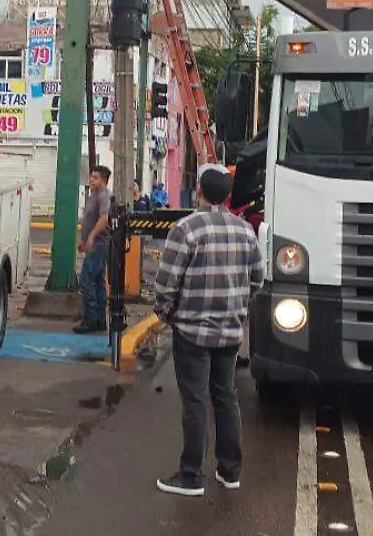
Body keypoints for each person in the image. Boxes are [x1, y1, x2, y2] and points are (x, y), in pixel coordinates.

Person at [153, 163, 265, 497]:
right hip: (229, 333)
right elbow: (257, 279)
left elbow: (166, 284)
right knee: (225, 397)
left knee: (196, 401)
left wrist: (167, 314)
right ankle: (230, 472)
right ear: (229, 196)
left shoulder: (186, 229)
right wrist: (237, 308)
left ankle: (190, 476)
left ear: (199, 191)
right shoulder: (245, 231)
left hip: (192, 332)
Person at [74, 165, 111, 334]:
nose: (91, 180)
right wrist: (84, 239)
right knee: (98, 283)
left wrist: (91, 237)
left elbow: (104, 219)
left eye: (95, 177)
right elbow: (89, 219)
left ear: (103, 180)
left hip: (98, 246)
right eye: (91, 176)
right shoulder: (93, 196)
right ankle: (99, 320)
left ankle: (90, 320)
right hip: (93, 244)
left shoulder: (103, 196)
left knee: (86, 281)